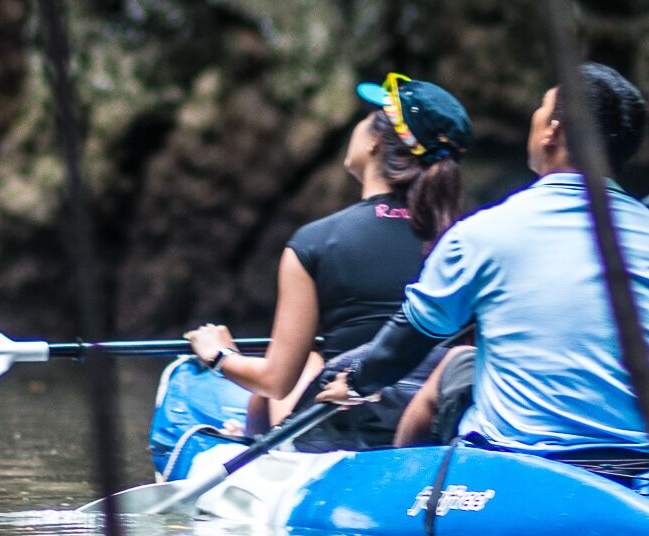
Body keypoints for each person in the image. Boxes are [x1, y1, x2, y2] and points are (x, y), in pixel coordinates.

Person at [321, 63, 649, 471]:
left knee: (457, 366)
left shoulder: (485, 233)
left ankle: (399, 484)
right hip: (644, 465)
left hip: (518, 464)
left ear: (552, 132)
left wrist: (356, 382)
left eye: (541, 108)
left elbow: (405, 344)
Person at [180, 74, 470, 447]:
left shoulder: (315, 242)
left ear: (375, 141)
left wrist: (219, 355)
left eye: (367, 117)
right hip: (432, 425)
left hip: (344, 426)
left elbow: (276, 381)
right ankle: (253, 437)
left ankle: (249, 443)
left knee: (309, 364)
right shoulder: (468, 243)